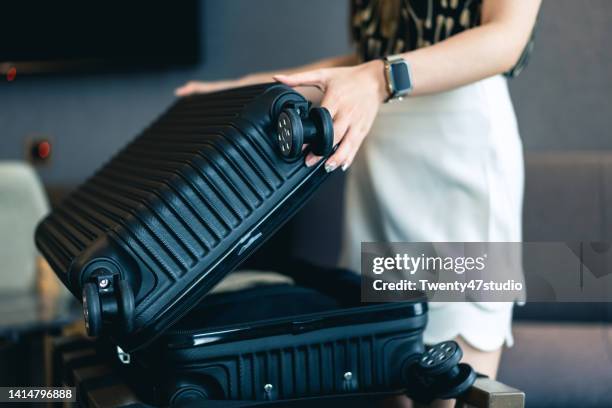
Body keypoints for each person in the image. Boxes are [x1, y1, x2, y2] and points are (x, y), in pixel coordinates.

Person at [176, 1, 541, 406]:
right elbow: (372, 57)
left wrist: (380, 78)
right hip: (380, 153)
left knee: (457, 381)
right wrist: (254, 90)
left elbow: (506, 38)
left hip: (457, 155)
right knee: (385, 364)